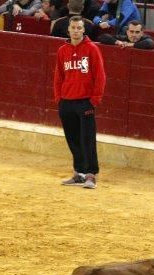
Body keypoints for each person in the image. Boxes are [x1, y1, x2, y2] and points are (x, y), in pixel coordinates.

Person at [55, 16, 106, 190]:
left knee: (87, 139)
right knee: (73, 139)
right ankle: (80, 173)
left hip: (85, 102)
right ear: (68, 30)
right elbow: (58, 77)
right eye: (73, 28)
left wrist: (94, 100)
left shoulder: (92, 49)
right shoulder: (62, 50)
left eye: (79, 28)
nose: (76, 31)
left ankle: (91, 174)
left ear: (83, 30)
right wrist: (59, 100)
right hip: (67, 102)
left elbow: (100, 76)